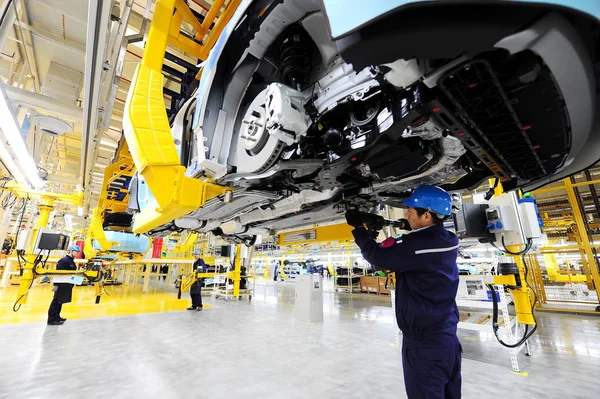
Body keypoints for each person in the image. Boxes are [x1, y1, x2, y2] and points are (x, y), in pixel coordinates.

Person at [345, 185, 462, 399]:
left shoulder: (414, 245)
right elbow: (416, 244)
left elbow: (376, 256)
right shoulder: (449, 239)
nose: (406, 213)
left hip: (424, 345)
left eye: (410, 210)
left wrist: (359, 229)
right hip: (448, 340)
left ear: (426, 215)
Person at [47, 245, 81, 326]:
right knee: (56, 302)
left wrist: (80, 280)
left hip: (66, 285)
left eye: (78, 252)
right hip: (61, 285)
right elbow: (59, 274)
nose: (77, 253)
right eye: (76, 251)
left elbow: (70, 275)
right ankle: (51, 319)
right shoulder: (64, 261)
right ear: (71, 251)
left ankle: (57, 317)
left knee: (60, 302)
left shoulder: (70, 261)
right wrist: (56, 285)